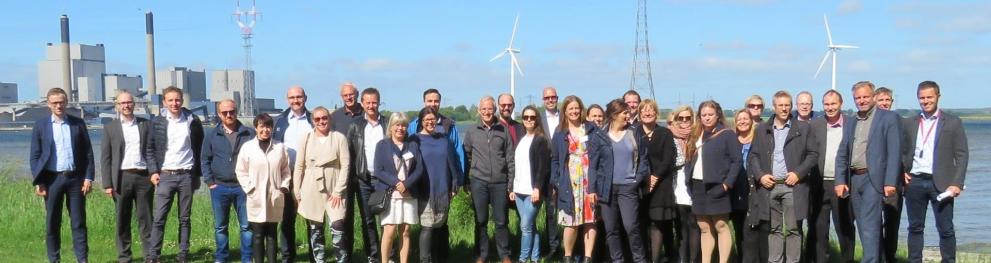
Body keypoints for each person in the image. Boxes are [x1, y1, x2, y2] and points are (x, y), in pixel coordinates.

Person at [834, 81, 902, 263]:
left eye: (865, 96)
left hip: (875, 179)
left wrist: (890, 182)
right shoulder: (852, 121)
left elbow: (894, 152)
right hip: (855, 179)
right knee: (865, 225)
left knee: (869, 225)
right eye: (858, 98)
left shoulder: (888, 118)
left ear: (873, 97)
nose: (861, 100)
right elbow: (843, 152)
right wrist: (840, 180)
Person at [902, 81, 969, 262]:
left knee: (945, 228)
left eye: (929, 97)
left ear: (938, 96)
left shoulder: (953, 123)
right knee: (915, 228)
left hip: (942, 183)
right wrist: (902, 171)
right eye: (922, 98)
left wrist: (957, 183)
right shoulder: (910, 123)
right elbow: (902, 151)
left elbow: (962, 155)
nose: (925, 101)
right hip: (914, 182)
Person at [748, 91, 817, 263]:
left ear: (791, 106)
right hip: (770, 186)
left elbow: (813, 155)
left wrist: (798, 173)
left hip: (792, 186)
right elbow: (753, 156)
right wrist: (761, 175)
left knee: (793, 229)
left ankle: (793, 261)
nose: (784, 108)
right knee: (774, 229)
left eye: (787, 105)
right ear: (774, 107)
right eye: (781, 105)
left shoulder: (803, 128)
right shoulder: (762, 129)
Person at [31, 87, 94, 263]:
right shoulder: (41, 125)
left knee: (79, 223)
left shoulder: (77, 123)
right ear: (48, 104)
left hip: (75, 179)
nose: (59, 105)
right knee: (52, 223)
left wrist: (88, 177)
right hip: (51, 180)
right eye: (55, 103)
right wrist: (39, 181)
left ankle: (82, 259)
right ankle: (54, 259)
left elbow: (88, 152)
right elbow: (35, 156)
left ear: (66, 102)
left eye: (62, 102)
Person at [146, 86, 205, 263]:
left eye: (177, 100)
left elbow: (199, 148)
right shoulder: (157, 122)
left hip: (186, 175)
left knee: (185, 218)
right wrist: (153, 171)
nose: (174, 103)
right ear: (164, 102)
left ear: (182, 100)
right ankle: (154, 255)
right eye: (170, 100)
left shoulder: (192, 120)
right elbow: (150, 149)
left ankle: (183, 254)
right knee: (159, 218)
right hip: (165, 175)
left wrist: (197, 176)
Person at [590, 99, 650, 262]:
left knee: (631, 227)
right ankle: (618, 260)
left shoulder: (635, 132)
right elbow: (593, 166)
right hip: (606, 190)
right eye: (624, 112)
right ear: (614, 115)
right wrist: (592, 190)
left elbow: (644, 159)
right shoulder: (599, 136)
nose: (628, 115)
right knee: (611, 229)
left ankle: (639, 259)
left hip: (628, 189)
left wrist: (636, 180)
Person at [685, 100, 741, 263]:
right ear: (699, 117)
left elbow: (737, 161)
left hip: (718, 186)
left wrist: (726, 184)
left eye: (710, 114)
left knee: (721, 226)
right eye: (704, 115)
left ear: (718, 115)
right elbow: (690, 158)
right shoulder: (696, 134)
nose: (707, 118)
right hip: (698, 186)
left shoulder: (727, 134)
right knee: (704, 228)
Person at [293, 106, 351, 262]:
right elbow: (299, 166)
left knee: (338, 227)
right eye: (317, 119)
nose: (321, 121)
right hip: (311, 187)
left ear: (329, 119)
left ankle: (342, 259)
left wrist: (339, 191)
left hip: (334, 187)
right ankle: (319, 260)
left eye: (324, 118)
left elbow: (345, 165)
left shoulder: (339, 138)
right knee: (316, 228)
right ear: (313, 121)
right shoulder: (306, 138)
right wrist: (297, 192)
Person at [101, 91, 153, 263]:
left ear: (134, 104)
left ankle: (150, 256)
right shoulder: (110, 128)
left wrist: (154, 173)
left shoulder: (146, 125)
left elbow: (152, 151)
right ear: (117, 106)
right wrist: (107, 184)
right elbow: (106, 158)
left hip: (144, 178)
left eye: (129, 102)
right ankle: (124, 256)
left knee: (146, 219)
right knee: (122, 220)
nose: (126, 106)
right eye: (122, 103)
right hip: (122, 178)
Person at [201, 99, 255, 263]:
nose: (229, 115)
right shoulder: (212, 134)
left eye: (231, 111)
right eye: (225, 113)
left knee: (246, 226)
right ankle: (221, 257)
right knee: (220, 226)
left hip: (243, 188)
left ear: (236, 111)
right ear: (219, 114)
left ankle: (247, 258)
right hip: (220, 187)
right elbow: (204, 159)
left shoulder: (248, 133)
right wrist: (210, 182)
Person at [806, 90, 856, 263]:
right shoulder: (815, 125)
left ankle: (847, 260)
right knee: (820, 230)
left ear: (841, 104)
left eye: (833, 104)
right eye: (826, 104)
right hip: (819, 184)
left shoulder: (851, 124)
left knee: (845, 228)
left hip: (842, 183)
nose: (830, 107)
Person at [464, 95, 516, 263]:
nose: (487, 112)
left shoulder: (503, 130)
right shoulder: (472, 131)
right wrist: (469, 179)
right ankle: (481, 254)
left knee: (501, 221)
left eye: (490, 109)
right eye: (484, 109)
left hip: (500, 182)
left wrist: (510, 183)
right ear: (479, 111)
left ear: (495, 110)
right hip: (479, 182)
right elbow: (467, 156)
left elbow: (509, 157)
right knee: (481, 220)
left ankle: (504, 254)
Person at [236, 114, 292, 263]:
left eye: (268, 126)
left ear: (272, 128)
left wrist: (284, 186)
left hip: (274, 196)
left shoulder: (279, 147)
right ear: (256, 128)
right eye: (262, 126)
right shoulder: (248, 148)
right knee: (258, 234)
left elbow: (286, 170)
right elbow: (241, 171)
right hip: (256, 196)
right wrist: (249, 189)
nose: (265, 130)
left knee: (272, 234)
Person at [412, 107, 463, 263]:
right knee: (427, 226)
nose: (430, 122)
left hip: (443, 190)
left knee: (439, 226)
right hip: (425, 190)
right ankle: (425, 259)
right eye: (427, 119)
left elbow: (452, 163)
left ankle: (439, 258)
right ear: (421, 122)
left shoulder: (444, 139)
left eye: (432, 119)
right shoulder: (414, 140)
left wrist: (454, 184)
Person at [550, 95, 597, 263]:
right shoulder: (560, 131)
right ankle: (568, 257)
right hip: (568, 181)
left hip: (589, 180)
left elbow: (599, 154)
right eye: (571, 108)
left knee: (590, 220)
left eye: (577, 108)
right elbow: (554, 159)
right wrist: (556, 181)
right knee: (570, 222)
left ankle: (588, 257)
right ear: (565, 111)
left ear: (581, 109)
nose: (574, 111)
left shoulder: (591, 128)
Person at [375, 112, 425, 263]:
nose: (400, 128)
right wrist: (397, 183)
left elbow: (419, 169)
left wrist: (406, 184)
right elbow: (378, 170)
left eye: (403, 125)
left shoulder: (413, 145)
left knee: (405, 231)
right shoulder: (382, 145)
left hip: (408, 194)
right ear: (391, 127)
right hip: (390, 194)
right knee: (389, 230)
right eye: (397, 124)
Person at [344, 87, 387, 263]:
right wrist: (353, 175)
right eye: (367, 102)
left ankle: (388, 255)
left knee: (386, 219)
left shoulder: (387, 123)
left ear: (379, 102)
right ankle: (373, 255)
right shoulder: (356, 126)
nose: (371, 105)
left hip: (385, 179)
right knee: (367, 220)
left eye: (374, 102)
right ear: (362, 103)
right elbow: (349, 152)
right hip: (364, 179)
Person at [272, 85, 312, 262]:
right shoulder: (279, 121)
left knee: (313, 220)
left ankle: (315, 256)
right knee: (287, 220)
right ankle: (288, 257)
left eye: (299, 97)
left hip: (309, 177)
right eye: (292, 98)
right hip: (287, 177)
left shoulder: (313, 120)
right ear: (287, 99)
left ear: (305, 98)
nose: (296, 101)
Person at [638, 100, 678, 263]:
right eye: (644, 111)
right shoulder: (634, 132)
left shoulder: (665, 133)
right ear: (639, 114)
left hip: (661, 185)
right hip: (639, 185)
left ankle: (655, 259)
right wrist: (645, 179)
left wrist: (654, 177)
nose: (647, 113)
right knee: (641, 224)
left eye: (651, 110)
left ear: (656, 113)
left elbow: (668, 158)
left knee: (657, 224)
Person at [512, 106, 552, 263]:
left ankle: (522, 258)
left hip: (532, 191)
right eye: (526, 117)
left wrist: (537, 188)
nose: (529, 120)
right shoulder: (522, 139)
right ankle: (535, 258)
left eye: (532, 117)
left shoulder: (540, 139)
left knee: (525, 226)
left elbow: (543, 167)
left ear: (537, 119)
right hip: (519, 189)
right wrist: (512, 188)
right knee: (531, 227)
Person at [730, 109, 768, 263]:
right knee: (739, 232)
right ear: (735, 122)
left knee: (752, 232)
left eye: (746, 118)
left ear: (752, 121)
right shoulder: (732, 141)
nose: (743, 121)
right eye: (739, 119)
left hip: (755, 191)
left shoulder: (758, 140)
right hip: (736, 192)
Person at [668, 106, 701, 263]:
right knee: (681, 226)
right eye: (681, 118)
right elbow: (671, 160)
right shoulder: (670, 136)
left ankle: (694, 259)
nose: (684, 121)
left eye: (688, 118)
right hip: (678, 184)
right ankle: (682, 258)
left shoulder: (699, 136)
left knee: (694, 224)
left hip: (694, 183)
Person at [874, 86, 904, 262]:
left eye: (888, 100)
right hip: (873, 181)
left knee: (892, 223)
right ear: (874, 101)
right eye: (881, 100)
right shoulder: (869, 122)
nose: (885, 103)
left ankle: (890, 256)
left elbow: (904, 148)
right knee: (874, 223)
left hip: (893, 181)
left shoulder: (898, 120)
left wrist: (904, 170)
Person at [539, 86, 563, 259]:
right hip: (546, 172)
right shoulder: (537, 119)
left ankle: (571, 247)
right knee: (551, 212)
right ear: (543, 100)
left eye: (553, 97)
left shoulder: (566, 117)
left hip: (567, 169)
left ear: (557, 98)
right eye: (547, 98)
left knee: (571, 211)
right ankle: (553, 248)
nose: (550, 100)